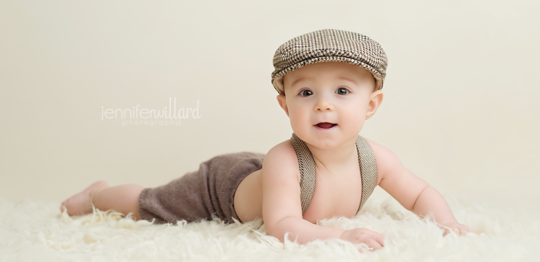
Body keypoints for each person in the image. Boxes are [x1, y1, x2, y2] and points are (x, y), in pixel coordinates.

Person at [60, 29, 477, 252]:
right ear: (285, 105)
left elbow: (420, 192)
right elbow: (282, 225)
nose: (323, 107)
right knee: (149, 204)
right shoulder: (284, 160)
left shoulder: (376, 158)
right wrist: (340, 238)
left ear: (372, 105)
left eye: (343, 92)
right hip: (222, 187)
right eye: (306, 93)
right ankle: (97, 196)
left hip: (270, 180)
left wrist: (445, 221)